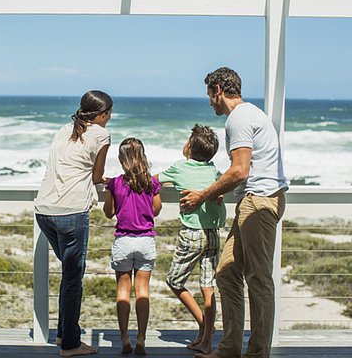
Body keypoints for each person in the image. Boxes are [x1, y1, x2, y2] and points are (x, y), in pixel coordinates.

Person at [180, 67, 288, 358]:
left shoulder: (238, 119)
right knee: (226, 273)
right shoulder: (250, 114)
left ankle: (257, 353)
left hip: (259, 202)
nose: (209, 102)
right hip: (254, 201)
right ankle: (229, 350)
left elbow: (239, 171)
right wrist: (218, 193)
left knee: (258, 279)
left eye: (209, 95)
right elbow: (244, 172)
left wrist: (204, 195)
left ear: (218, 90)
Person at [34, 90, 113, 357]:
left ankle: (62, 335)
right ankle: (70, 344)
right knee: (73, 279)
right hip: (71, 212)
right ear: (102, 115)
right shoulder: (101, 134)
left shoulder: (64, 129)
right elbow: (98, 176)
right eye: (109, 115)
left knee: (69, 277)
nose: (109, 119)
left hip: (44, 210)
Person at [154, 124, 226, 355]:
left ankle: (205, 324)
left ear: (188, 147)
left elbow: (153, 180)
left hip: (192, 234)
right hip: (213, 234)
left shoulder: (180, 167)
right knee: (208, 286)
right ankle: (206, 339)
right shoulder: (214, 171)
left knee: (175, 281)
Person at [103, 138, 162, 356]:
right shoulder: (151, 183)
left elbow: (109, 213)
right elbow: (156, 210)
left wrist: (111, 190)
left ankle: (124, 338)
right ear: (143, 156)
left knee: (122, 291)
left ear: (121, 160)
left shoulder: (115, 183)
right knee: (143, 292)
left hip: (123, 242)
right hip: (146, 241)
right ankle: (141, 339)